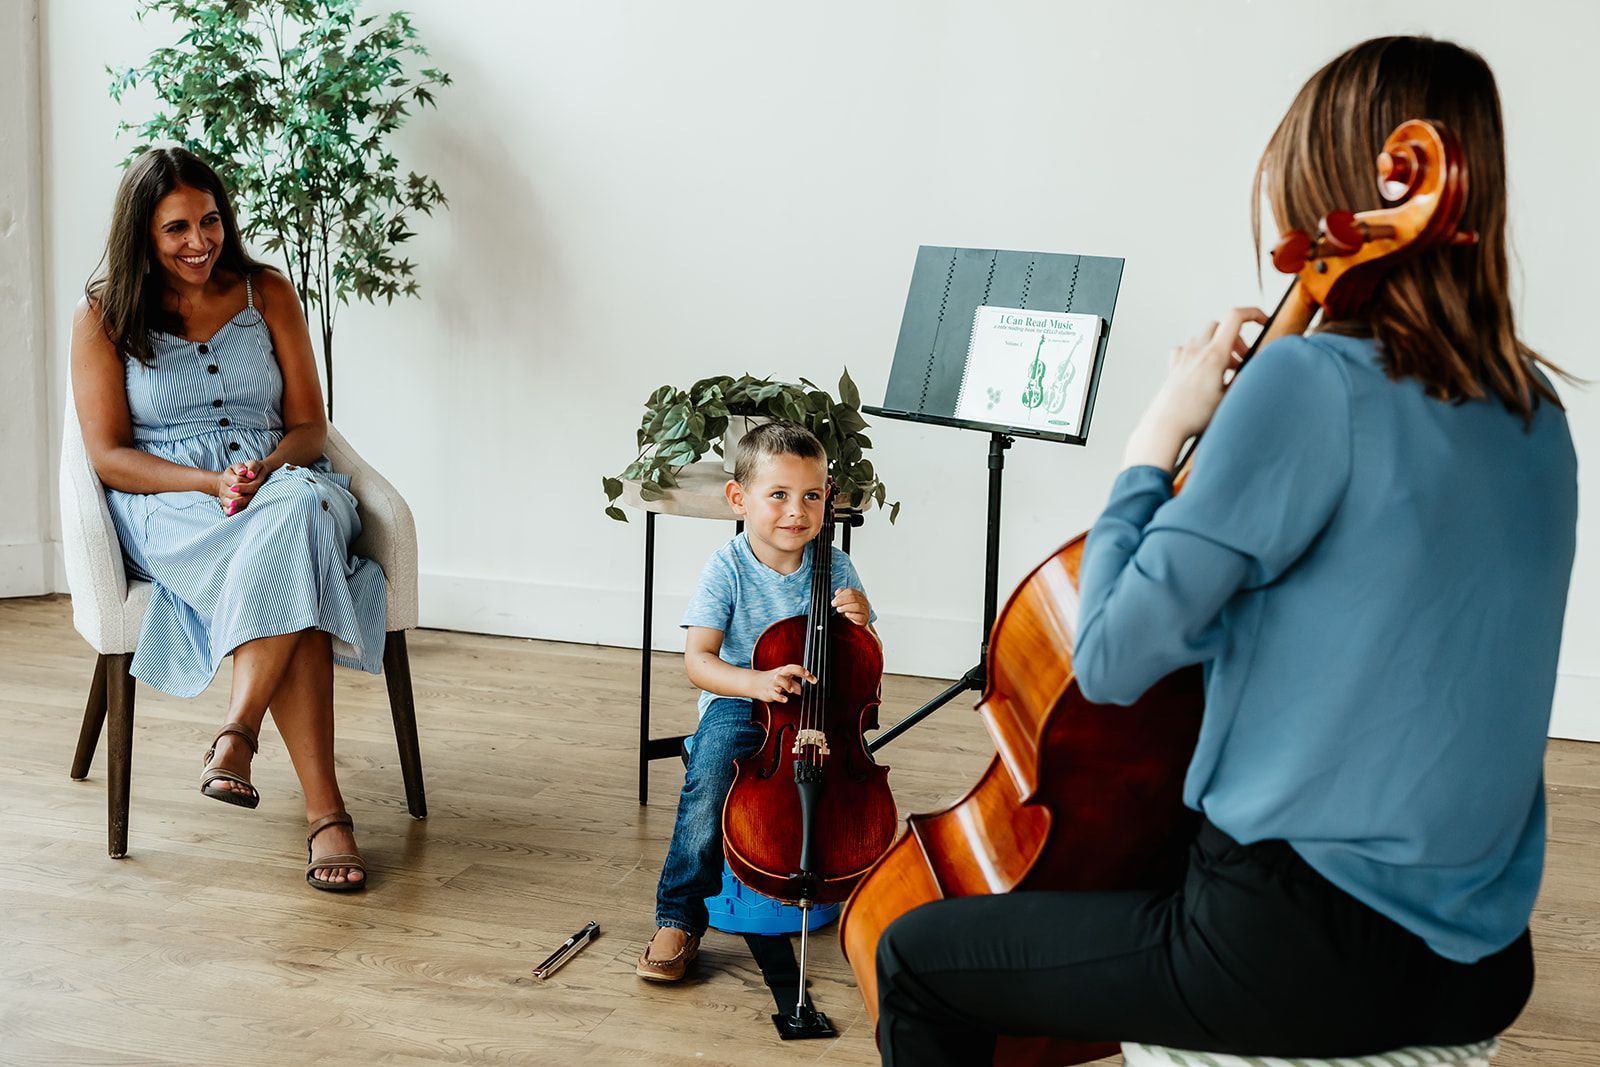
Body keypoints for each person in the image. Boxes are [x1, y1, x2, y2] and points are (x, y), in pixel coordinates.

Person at [873, 36, 1578, 1061]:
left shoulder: (1306, 383)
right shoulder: (1534, 409)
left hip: (1294, 953)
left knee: (917, 957)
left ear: (1329, 186)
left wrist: (1154, 438)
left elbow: (1109, 658)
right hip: (1478, 962)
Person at [71, 147, 388, 892]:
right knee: (301, 545)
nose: (198, 241)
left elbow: (310, 426)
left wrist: (266, 469)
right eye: (176, 228)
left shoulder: (266, 291)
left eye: (209, 221)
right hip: (173, 504)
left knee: (303, 510)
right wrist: (208, 480)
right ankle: (325, 815)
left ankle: (237, 733)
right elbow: (110, 456)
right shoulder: (104, 315)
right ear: (142, 235)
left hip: (282, 481)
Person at [637, 421, 877, 981]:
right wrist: (756, 681)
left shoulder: (834, 566)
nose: (798, 511)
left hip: (820, 709)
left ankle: (831, 880)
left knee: (845, 784)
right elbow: (698, 661)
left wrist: (862, 623)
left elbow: (866, 659)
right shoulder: (727, 568)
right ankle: (679, 914)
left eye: (811, 496)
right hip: (743, 701)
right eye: (779, 495)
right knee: (713, 771)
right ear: (738, 498)